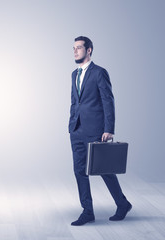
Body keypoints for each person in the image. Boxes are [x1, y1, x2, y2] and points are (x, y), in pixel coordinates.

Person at [68, 36, 132, 226]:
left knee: (104, 170)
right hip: (77, 129)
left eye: (79, 47)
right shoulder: (74, 74)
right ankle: (87, 211)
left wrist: (108, 129)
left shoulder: (99, 72)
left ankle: (122, 203)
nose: (75, 51)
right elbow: (74, 101)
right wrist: (71, 123)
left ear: (89, 50)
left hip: (96, 129)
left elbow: (108, 100)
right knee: (79, 171)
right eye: (73, 48)